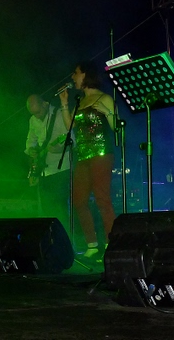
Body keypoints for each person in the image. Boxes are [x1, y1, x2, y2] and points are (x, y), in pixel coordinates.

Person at [58, 60, 117, 261]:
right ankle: (92, 244)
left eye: (75, 73)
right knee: (79, 200)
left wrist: (108, 112)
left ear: (85, 75)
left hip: (101, 153)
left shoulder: (104, 97)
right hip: (82, 155)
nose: (73, 77)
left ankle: (111, 244)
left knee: (102, 199)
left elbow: (117, 127)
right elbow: (70, 127)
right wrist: (64, 104)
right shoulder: (80, 102)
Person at [25, 94, 71, 230]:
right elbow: (30, 142)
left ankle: (66, 237)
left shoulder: (60, 115)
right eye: (34, 114)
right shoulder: (33, 120)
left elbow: (71, 141)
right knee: (46, 209)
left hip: (61, 168)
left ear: (45, 104)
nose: (37, 116)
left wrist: (58, 149)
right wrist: (32, 150)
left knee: (61, 208)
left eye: (38, 112)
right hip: (43, 171)